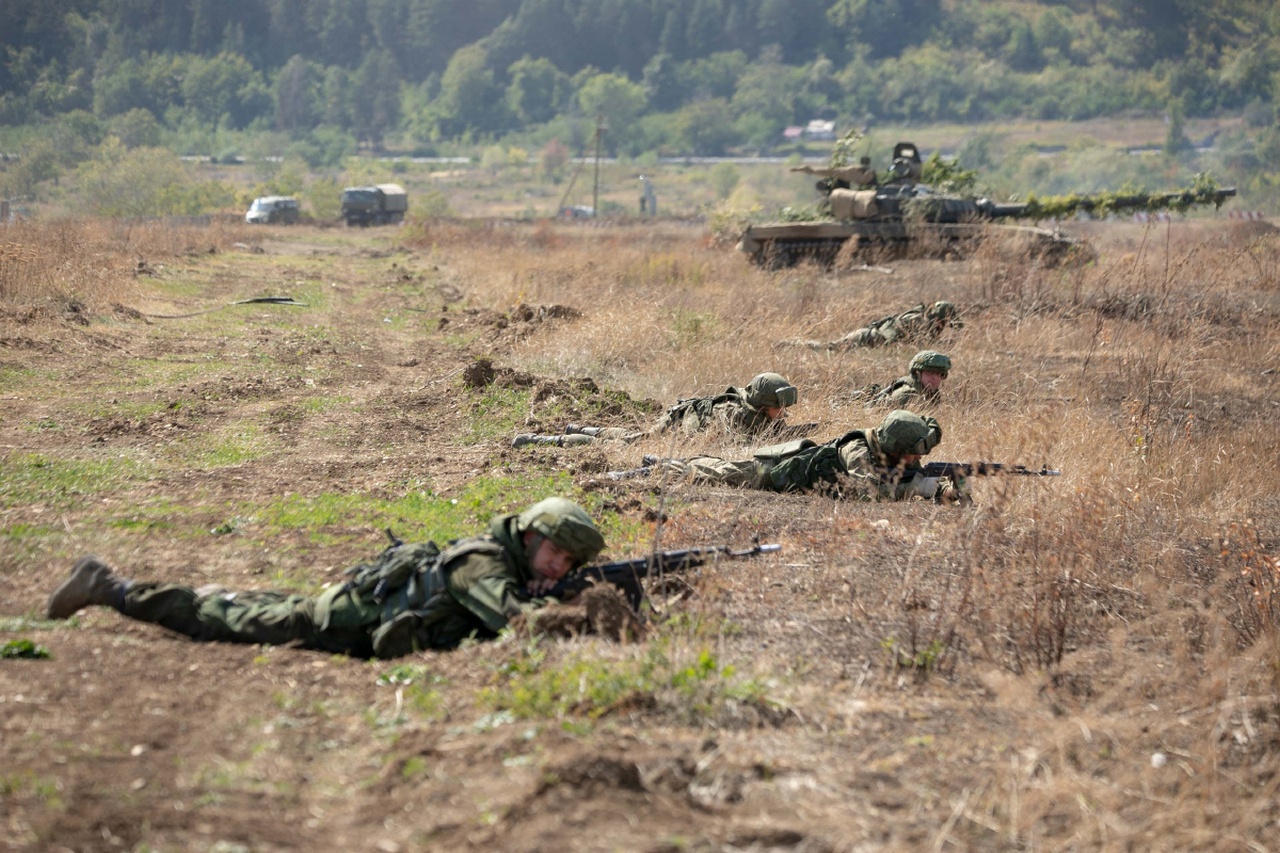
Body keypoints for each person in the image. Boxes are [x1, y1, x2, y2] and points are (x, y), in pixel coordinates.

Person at [45, 497, 608, 659]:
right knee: (220, 623)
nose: (558, 567)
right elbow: (520, 623)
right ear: (530, 536)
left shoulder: (507, 564)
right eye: (555, 552)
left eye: (568, 564)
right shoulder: (483, 564)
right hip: (339, 624)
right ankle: (109, 588)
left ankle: (217, 597)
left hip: (359, 621)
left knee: (245, 608)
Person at [614, 410, 963, 502]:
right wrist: (918, 487)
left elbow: (929, 429)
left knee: (719, 469)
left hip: (794, 464)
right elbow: (866, 492)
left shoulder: (891, 444)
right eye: (912, 456)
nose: (917, 460)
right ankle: (657, 467)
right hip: (775, 473)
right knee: (717, 472)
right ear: (894, 448)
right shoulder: (859, 451)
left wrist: (946, 484)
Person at [512, 372, 799, 449]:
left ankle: (581, 429)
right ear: (763, 404)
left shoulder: (759, 413)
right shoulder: (734, 414)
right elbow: (737, 445)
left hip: (688, 421)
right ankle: (547, 440)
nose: (782, 412)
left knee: (633, 439)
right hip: (679, 423)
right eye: (778, 408)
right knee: (632, 443)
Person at [776, 301, 963, 351]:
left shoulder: (924, 322)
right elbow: (918, 345)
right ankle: (790, 344)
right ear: (939, 318)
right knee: (829, 348)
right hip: (865, 338)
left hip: (869, 340)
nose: (943, 326)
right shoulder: (918, 321)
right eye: (944, 322)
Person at [864, 350, 951, 409]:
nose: (935, 378)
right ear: (917, 373)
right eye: (930, 373)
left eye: (940, 374)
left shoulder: (931, 393)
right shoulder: (907, 394)